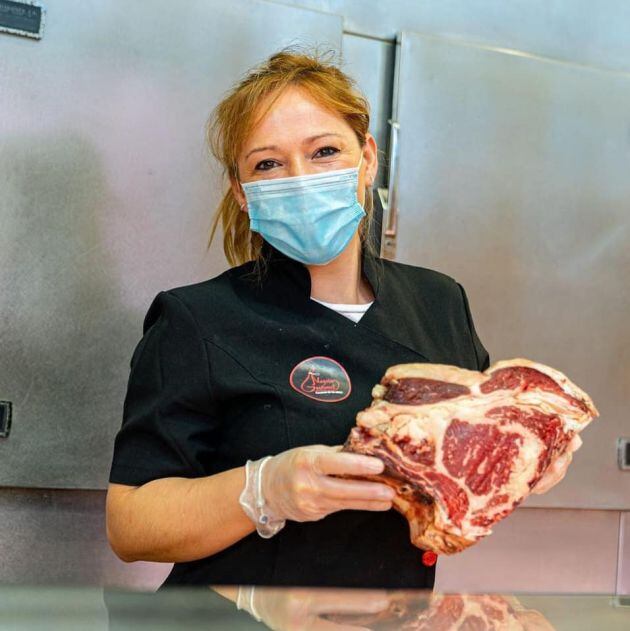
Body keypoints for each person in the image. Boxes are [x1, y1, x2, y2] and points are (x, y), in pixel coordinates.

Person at [105, 48, 576, 589]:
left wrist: (530, 453)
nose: (300, 179)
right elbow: (131, 525)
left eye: (324, 151)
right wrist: (265, 489)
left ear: (368, 158)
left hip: (392, 618)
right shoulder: (198, 319)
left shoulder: (439, 301)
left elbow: (473, 448)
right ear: (242, 191)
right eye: (267, 163)